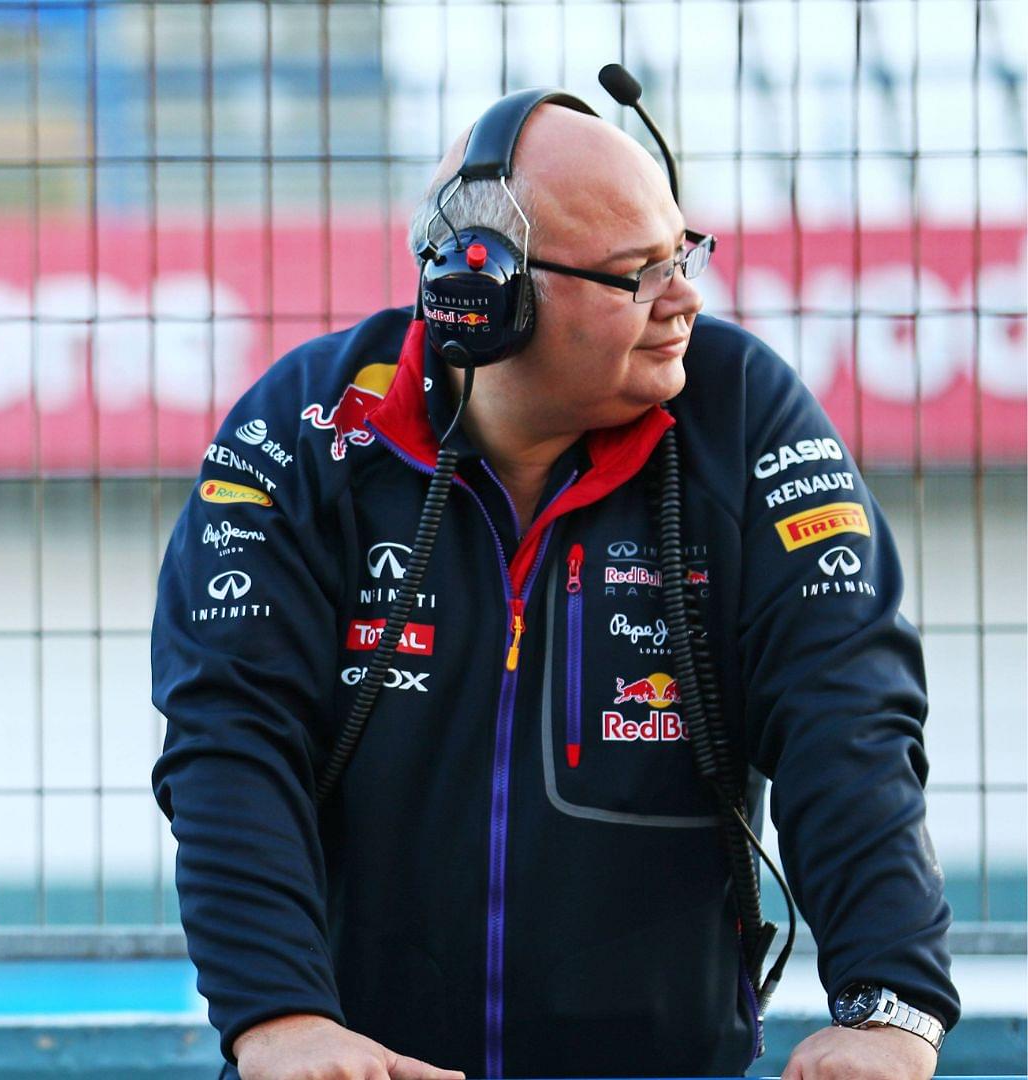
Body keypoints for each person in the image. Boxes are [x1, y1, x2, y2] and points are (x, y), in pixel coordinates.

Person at [151, 94, 957, 1079]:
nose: (684, 299)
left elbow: (848, 710)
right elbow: (230, 737)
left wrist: (890, 1008)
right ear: (484, 299)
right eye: (636, 275)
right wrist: (277, 1019)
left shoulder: (743, 415)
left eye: (683, 253)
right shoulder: (303, 432)